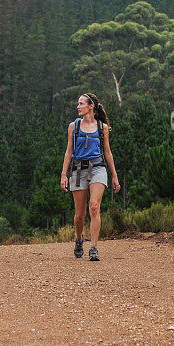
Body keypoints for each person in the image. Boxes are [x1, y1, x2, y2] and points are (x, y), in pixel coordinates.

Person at [60, 93, 120, 261]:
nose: (78, 107)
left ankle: (93, 248)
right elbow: (68, 151)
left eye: (81, 104)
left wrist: (114, 176)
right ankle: (79, 239)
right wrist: (64, 174)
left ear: (91, 106)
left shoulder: (102, 128)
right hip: (78, 170)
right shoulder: (74, 126)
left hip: (98, 168)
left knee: (94, 207)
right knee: (79, 215)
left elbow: (107, 152)